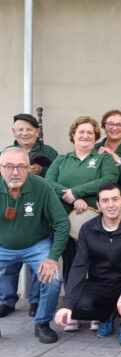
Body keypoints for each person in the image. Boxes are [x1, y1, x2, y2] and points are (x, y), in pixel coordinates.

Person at [54, 182, 121, 347]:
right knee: (77, 307)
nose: (111, 204)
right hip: (100, 283)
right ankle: (106, 315)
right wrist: (67, 304)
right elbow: (79, 265)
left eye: (115, 199)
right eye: (105, 201)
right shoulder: (88, 228)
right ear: (98, 205)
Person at [45, 116, 118, 331]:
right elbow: (48, 182)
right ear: (73, 136)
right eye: (81, 132)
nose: (85, 136)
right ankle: (73, 312)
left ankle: (97, 312)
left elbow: (109, 179)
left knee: (98, 266)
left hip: (96, 222)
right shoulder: (62, 160)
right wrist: (69, 197)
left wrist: (77, 192)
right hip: (68, 225)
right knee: (71, 266)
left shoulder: (103, 159)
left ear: (96, 137)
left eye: (90, 133)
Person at [0, 147, 70, 343]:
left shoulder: (41, 186)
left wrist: (52, 258)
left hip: (36, 244)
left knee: (53, 278)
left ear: (28, 167)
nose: (15, 172)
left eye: (21, 166)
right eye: (9, 167)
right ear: (0, 168)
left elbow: (62, 222)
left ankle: (43, 323)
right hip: (2, 245)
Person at [0, 113, 59, 318]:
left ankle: (36, 302)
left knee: (40, 270)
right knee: (8, 269)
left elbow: (56, 176)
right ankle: (6, 300)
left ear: (37, 132)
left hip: (36, 217)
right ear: (14, 132)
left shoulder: (49, 151)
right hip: (8, 230)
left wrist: (39, 171)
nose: (24, 133)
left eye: (29, 129)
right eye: (20, 129)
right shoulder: (6, 153)